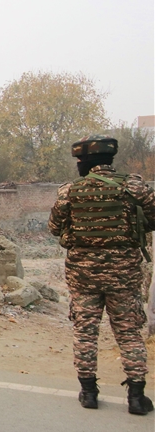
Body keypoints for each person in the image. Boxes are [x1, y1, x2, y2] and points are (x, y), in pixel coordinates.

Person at [48, 134, 155, 416]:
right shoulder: (134, 187)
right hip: (124, 276)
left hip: (83, 277)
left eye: (79, 161)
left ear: (84, 162)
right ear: (110, 159)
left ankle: (89, 393)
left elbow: (55, 228)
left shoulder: (69, 191)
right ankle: (136, 397)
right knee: (129, 333)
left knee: (85, 333)